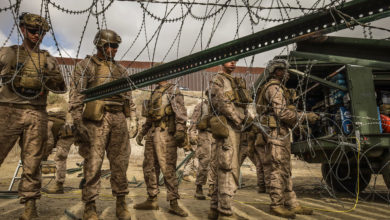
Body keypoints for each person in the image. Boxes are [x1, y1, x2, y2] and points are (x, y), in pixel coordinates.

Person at [0, 12, 65, 220]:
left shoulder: (48, 59)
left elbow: (61, 87)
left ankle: (30, 206)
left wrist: (52, 77)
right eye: (33, 31)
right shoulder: (9, 54)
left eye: (41, 32)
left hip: (36, 111)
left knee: (32, 162)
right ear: (23, 30)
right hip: (9, 109)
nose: (37, 35)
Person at [69, 29, 138, 220]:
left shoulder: (121, 70)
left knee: (120, 163)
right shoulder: (86, 66)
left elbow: (128, 97)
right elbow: (76, 96)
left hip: (118, 119)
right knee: (93, 164)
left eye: (116, 46)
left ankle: (121, 202)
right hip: (96, 120)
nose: (114, 49)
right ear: (100, 45)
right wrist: (77, 122)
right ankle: (90, 206)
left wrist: (133, 119)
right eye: (110, 45)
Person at [255, 59, 319, 218]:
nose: (288, 75)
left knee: (285, 169)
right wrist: (305, 117)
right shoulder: (274, 88)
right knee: (277, 168)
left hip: (280, 132)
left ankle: (291, 203)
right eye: (285, 71)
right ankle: (276, 205)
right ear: (277, 72)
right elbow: (282, 113)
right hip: (275, 132)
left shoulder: (277, 88)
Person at [134, 80, 188, 217]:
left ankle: (174, 203)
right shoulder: (155, 92)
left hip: (166, 134)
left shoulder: (173, 91)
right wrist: (142, 132)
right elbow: (150, 117)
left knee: (168, 169)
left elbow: (180, 113)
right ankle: (152, 199)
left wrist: (181, 131)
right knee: (149, 167)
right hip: (153, 132)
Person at [207, 60, 252, 219]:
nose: (233, 63)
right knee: (228, 168)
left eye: (235, 61)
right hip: (229, 127)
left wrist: (248, 119)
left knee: (227, 167)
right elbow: (220, 103)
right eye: (229, 60)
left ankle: (214, 209)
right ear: (221, 62)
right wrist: (239, 119)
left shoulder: (236, 81)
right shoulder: (217, 80)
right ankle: (225, 212)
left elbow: (243, 105)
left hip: (237, 128)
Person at [188, 100, 216, 200]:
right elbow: (194, 121)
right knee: (205, 162)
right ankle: (199, 187)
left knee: (215, 163)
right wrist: (192, 135)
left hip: (217, 136)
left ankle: (212, 187)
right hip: (204, 136)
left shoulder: (220, 105)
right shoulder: (202, 106)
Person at [45, 111, 76, 194]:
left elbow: (49, 142)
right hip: (63, 133)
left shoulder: (46, 124)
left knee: (60, 157)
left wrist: (45, 154)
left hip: (66, 135)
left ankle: (59, 185)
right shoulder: (45, 121)